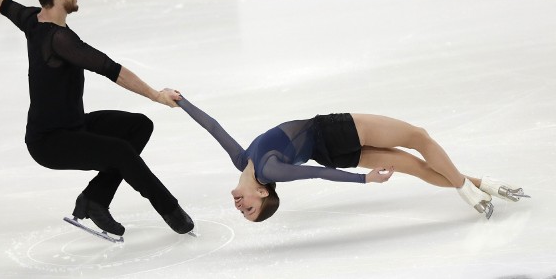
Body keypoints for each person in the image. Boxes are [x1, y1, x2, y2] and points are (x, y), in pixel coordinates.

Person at [0, 0, 194, 237]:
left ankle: (95, 200)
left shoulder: (32, 19)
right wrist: (155, 95)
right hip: (51, 141)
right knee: (121, 152)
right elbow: (111, 69)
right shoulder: (60, 40)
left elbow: (3, 4)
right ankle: (171, 211)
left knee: (138, 127)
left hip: (73, 125)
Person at [175, 95, 529, 222]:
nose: (241, 207)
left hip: (332, 152)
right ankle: (469, 191)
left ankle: (485, 187)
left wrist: (182, 101)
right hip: (334, 134)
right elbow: (316, 176)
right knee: (418, 136)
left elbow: (214, 127)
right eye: (250, 210)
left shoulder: (242, 162)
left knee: (416, 167)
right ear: (264, 193)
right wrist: (365, 179)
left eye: (244, 211)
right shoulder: (269, 169)